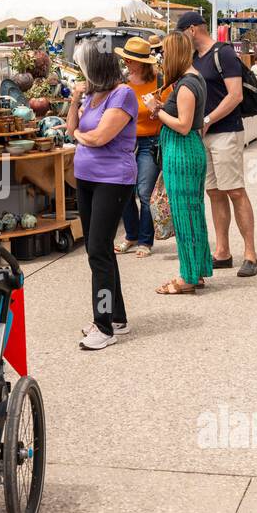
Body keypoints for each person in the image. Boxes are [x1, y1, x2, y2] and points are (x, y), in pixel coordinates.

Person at [176, 12, 257, 276]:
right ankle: (222, 251)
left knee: (234, 190)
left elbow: (235, 95)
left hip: (226, 131)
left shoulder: (222, 54)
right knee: (214, 192)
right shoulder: (193, 60)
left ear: (191, 30)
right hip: (203, 135)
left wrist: (208, 119)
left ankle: (250, 254)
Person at [67, 39, 137, 350]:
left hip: (113, 180)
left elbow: (97, 137)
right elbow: (73, 130)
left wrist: (81, 136)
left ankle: (104, 323)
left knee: (97, 250)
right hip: (86, 178)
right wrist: (74, 100)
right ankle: (116, 316)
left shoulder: (123, 95)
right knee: (102, 249)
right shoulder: (94, 96)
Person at [144, 31, 212, 294]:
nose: (161, 58)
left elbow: (183, 126)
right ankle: (197, 270)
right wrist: (161, 107)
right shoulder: (194, 79)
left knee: (184, 215)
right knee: (192, 213)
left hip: (181, 151)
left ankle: (187, 277)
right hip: (188, 150)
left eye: (164, 53)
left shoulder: (186, 84)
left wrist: (157, 109)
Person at [115, 36, 161, 257]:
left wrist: (158, 110)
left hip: (150, 143)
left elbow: (169, 111)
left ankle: (145, 241)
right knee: (124, 191)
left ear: (143, 63)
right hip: (126, 143)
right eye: (125, 58)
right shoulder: (123, 83)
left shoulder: (160, 82)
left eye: (130, 59)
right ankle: (131, 235)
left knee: (144, 192)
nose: (126, 62)